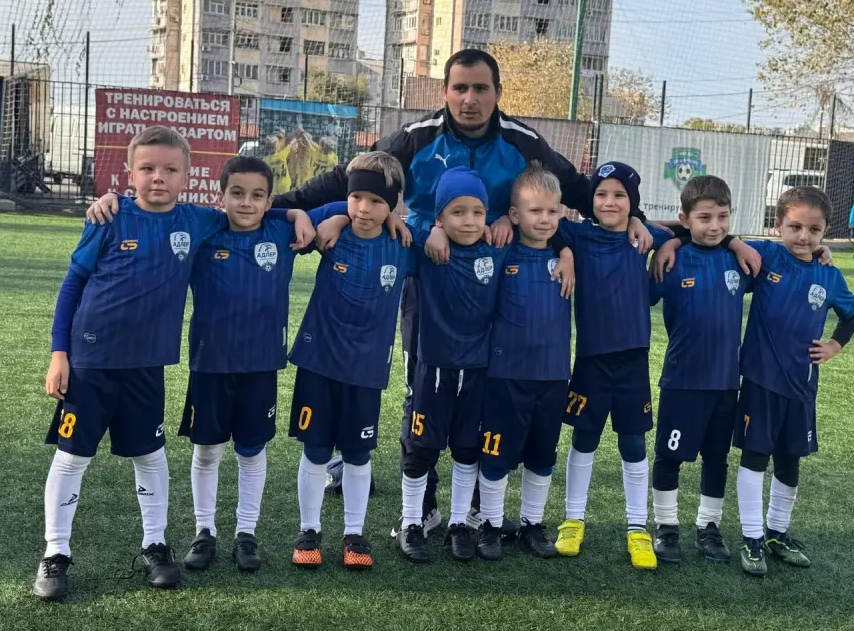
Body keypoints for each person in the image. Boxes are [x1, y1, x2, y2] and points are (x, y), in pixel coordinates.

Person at [273, 49, 649, 533]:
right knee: (422, 384)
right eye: (459, 88)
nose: (469, 99)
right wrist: (280, 208)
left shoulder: (522, 141)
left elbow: (576, 189)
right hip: (429, 272)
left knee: (480, 390)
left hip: (497, 281)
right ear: (445, 91)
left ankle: (469, 508)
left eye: (481, 89)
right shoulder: (417, 136)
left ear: (498, 93)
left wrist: (629, 215)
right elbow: (353, 177)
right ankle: (423, 505)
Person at [32, 126, 233, 602]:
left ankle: (155, 545)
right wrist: (59, 354)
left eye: (169, 169)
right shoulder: (109, 217)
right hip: (91, 361)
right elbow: (71, 286)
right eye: (147, 168)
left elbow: (255, 211)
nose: (157, 178)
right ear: (129, 173)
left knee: (149, 455)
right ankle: (55, 553)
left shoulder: (200, 220)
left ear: (188, 175)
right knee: (73, 457)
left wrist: (319, 218)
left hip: (146, 367)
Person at [553, 162, 754, 570]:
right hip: (590, 360)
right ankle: (573, 519)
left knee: (633, 445)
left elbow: (692, 231)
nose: (610, 202)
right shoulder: (578, 233)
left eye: (620, 196)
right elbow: (547, 223)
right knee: (584, 440)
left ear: (633, 203)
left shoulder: (648, 238)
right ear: (590, 201)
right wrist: (566, 251)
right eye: (601, 194)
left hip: (633, 363)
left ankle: (637, 526)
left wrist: (731, 243)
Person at [176, 156, 319, 574]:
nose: (246, 203)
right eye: (236, 193)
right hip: (210, 363)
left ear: (269, 199)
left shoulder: (280, 231)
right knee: (207, 450)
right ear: (220, 196)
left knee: (251, 450)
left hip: (260, 365)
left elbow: (343, 209)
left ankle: (246, 532)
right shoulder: (204, 232)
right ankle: (205, 531)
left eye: (257, 195)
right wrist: (109, 198)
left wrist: (295, 213)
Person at [287, 151, 413, 570]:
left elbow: (450, 233)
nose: (364, 208)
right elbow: (279, 215)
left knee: (359, 455)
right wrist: (328, 216)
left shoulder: (403, 243)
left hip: (366, 368)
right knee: (316, 449)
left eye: (377, 201)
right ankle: (309, 530)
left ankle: (355, 534)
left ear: (393, 203)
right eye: (356, 197)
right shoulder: (333, 227)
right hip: (319, 359)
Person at [732, 186, 854, 577]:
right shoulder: (767, 256)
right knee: (755, 458)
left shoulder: (829, 274)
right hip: (760, 380)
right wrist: (738, 244)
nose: (804, 236)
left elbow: (851, 314)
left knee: (790, 460)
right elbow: (718, 238)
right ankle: (752, 538)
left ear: (825, 233)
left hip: (802, 387)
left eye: (814, 230)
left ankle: (778, 532)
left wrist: (835, 345)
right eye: (795, 227)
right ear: (778, 225)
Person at [396, 168, 511, 563]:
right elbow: (390, 222)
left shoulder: (496, 251)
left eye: (478, 212)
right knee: (420, 450)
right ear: (441, 217)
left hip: (477, 372)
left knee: (467, 450)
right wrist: (429, 228)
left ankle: (460, 523)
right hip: (433, 370)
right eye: (457, 212)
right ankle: (412, 521)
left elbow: (545, 230)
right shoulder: (426, 251)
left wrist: (511, 220)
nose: (469, 221)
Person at [472, 165, 575, 560]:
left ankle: (533, 523)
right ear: (515, 215)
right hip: (505, 375)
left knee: (542, 457)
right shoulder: (500, 251)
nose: (545, 219)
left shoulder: (568, 254)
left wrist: (566, 250)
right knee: (496, 456)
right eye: (535, 211)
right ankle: (491, 524)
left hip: (552, 377)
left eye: (552, 211)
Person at [646, 175, 751, 565]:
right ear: (685, 218)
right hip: (682, 380)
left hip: (725, 383)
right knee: (669, 456)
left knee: (717, 458)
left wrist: (822, 249)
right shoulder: (670, 260)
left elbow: (791, 253)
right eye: (704, 218)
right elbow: (648, 239)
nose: (715, 226)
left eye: (723, 217)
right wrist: (672, 240)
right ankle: (667, 527)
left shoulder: (739, 260)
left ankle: (709, 527)